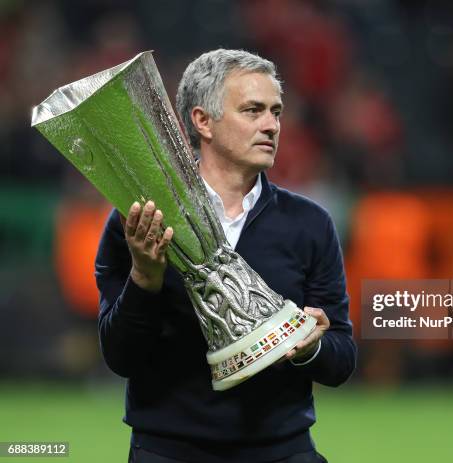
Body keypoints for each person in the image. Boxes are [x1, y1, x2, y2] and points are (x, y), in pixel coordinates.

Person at [95, 49, 356, 463]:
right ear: (203, 121)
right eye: (252, 111)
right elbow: (120, 357)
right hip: (167, 452)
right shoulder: (140, 218)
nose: (271, 125)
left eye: (276, 112)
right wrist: (144, 278)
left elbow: (341, 359)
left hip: (281, 451)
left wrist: (311, 349)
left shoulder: (310, 223)